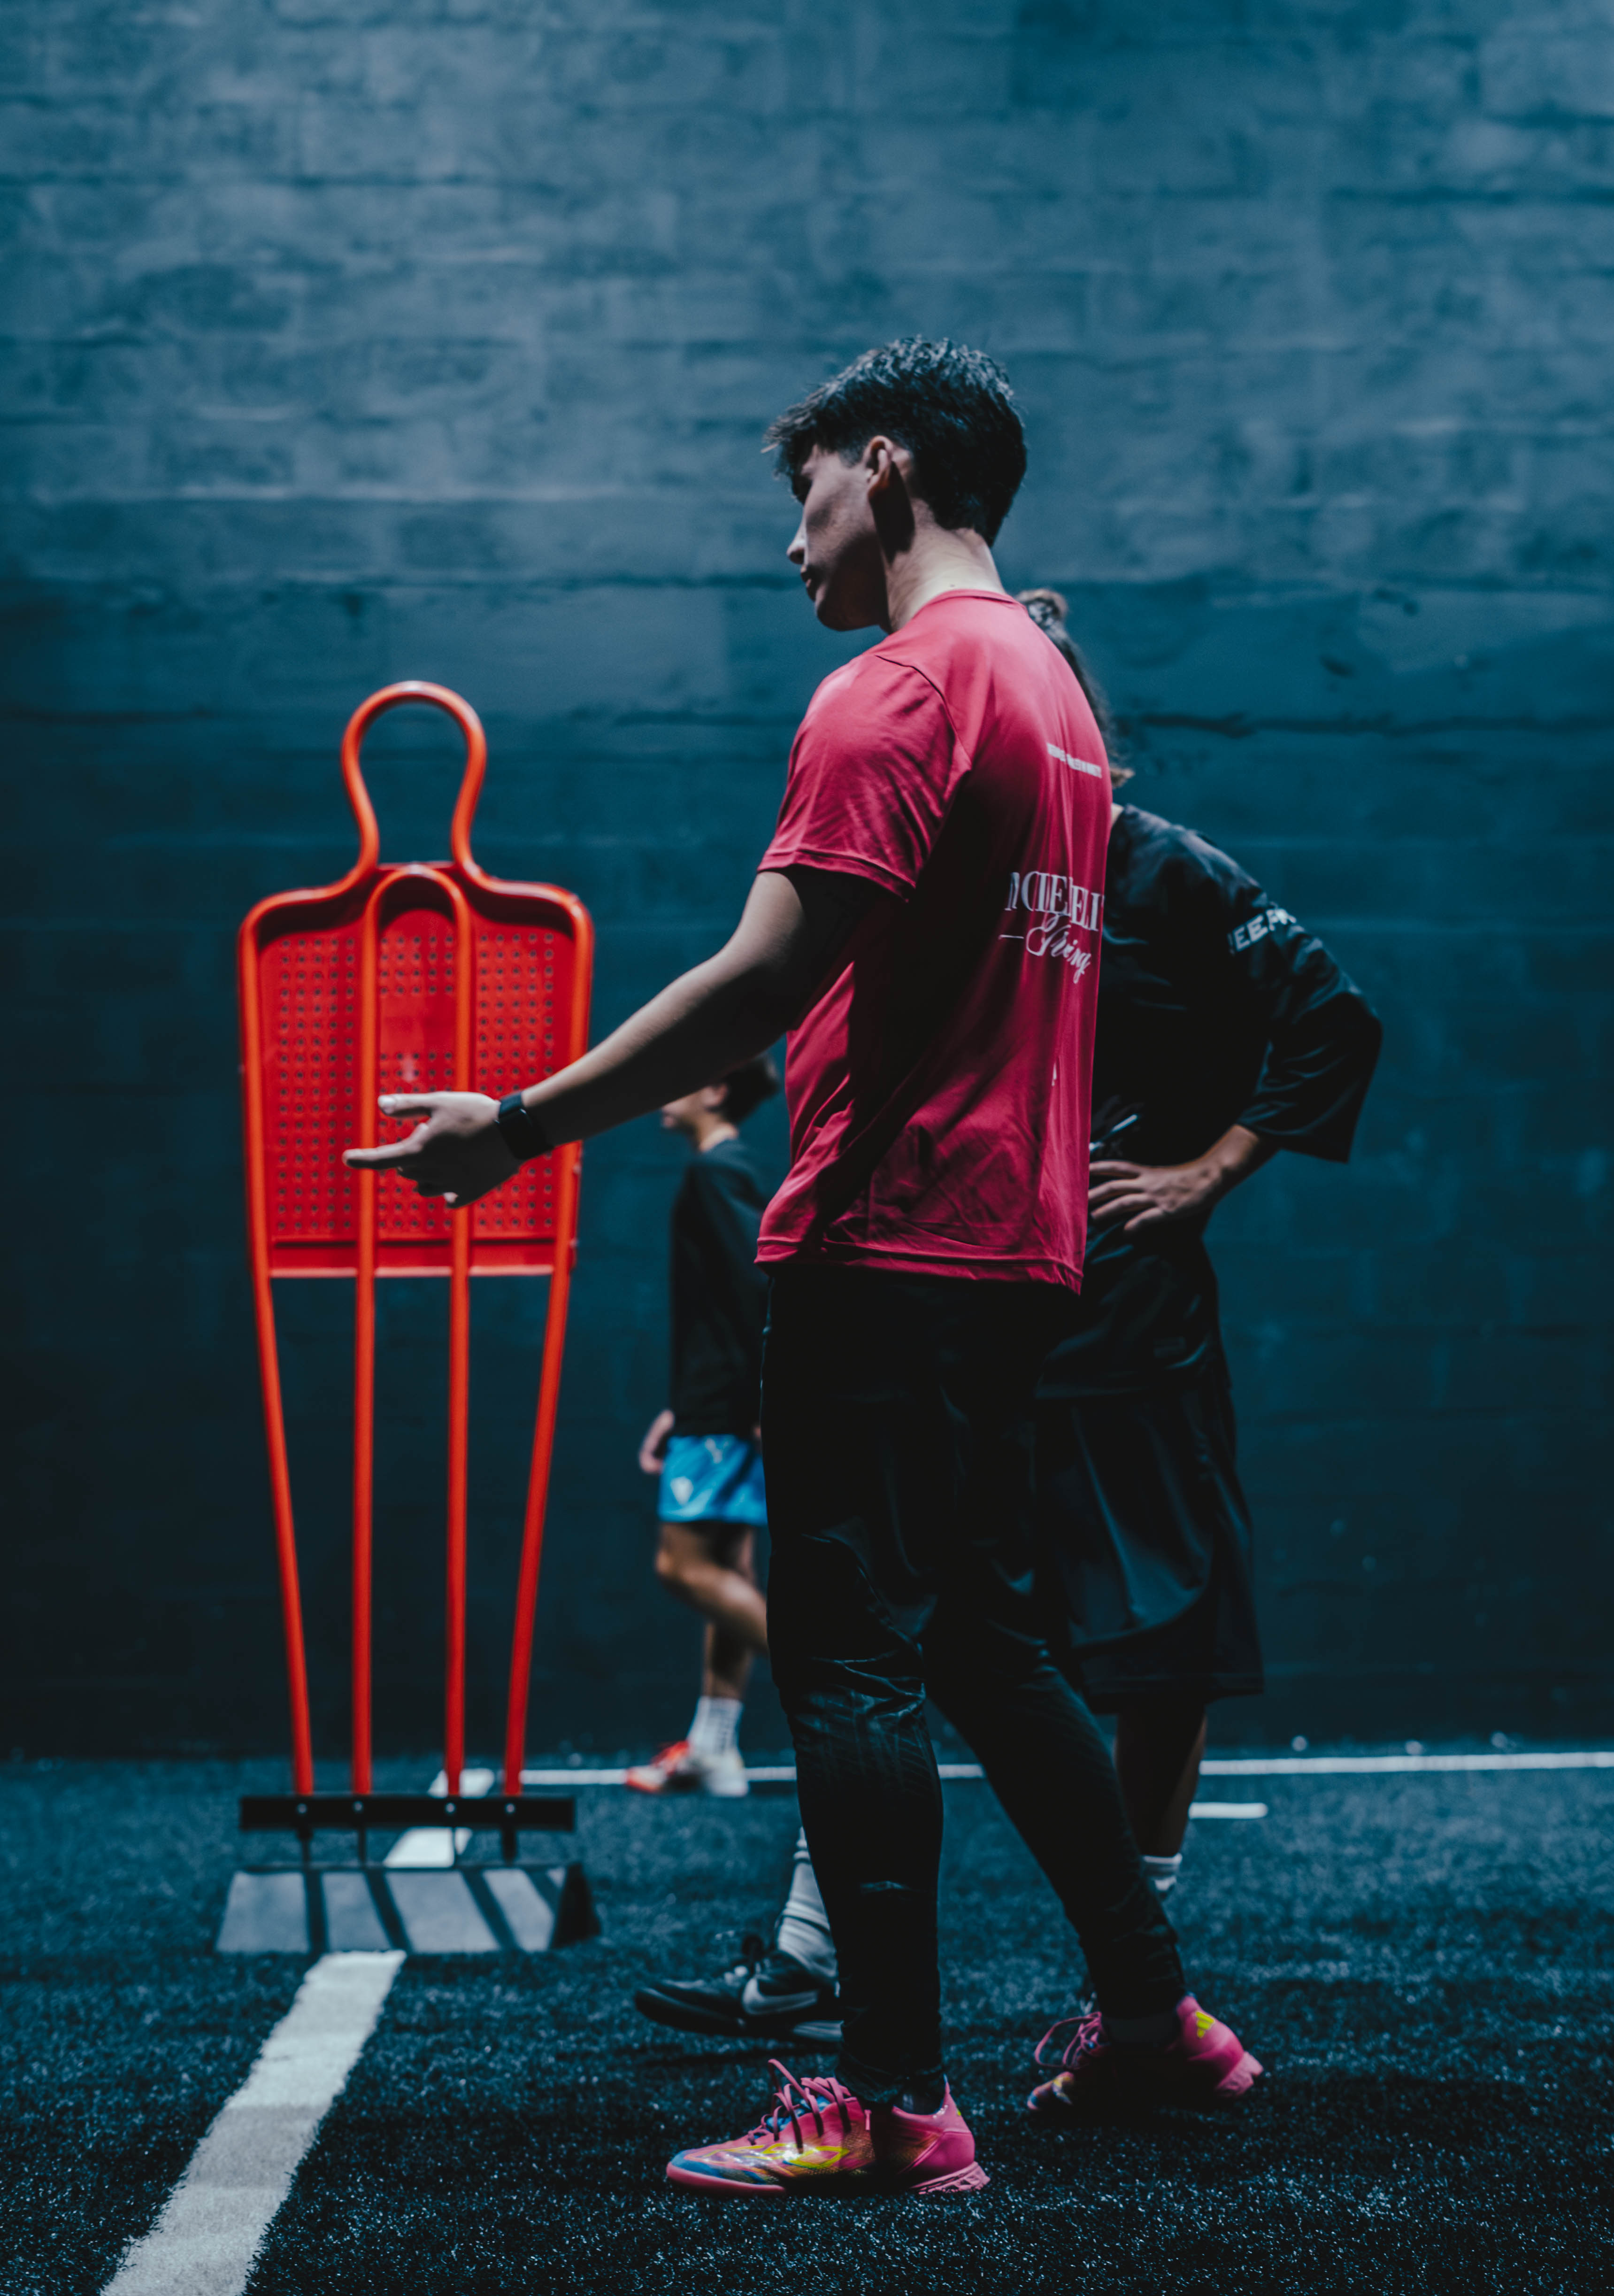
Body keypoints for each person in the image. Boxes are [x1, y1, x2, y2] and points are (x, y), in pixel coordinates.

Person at [346, 340, 1251, 2202]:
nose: (791, 545)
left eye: (807, 493)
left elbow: (762, 976)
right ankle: (1155, 2016)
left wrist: (517, 1123)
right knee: (994, 1641)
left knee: (848, 1655)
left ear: (888, 465)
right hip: (1017, 1248)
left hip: (884, 1234)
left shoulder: (901, 688)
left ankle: (895, 2104)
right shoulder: (1061, 701)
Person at [633, 588, 1382, 2080]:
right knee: (896, 1634)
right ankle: (812, 1956)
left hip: (1131, 1329)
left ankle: (1134, 1996)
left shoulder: (1164, 871)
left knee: (1144, 1645)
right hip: (980, 1306)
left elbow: (1334, 1018)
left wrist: (1207, 1172)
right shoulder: (955, 873)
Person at [626, 1055, 780, 1800]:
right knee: (732, 1567)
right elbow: (731, 1304)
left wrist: (747, 1402)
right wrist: (681, 1406)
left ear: (715, 1089)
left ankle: (847, 1667)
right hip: (718, 1404)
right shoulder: (729, 1170)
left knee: (683, 1566)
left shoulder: (717, 1173)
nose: (667, 1088)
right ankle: (715, 1748)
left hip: (727, 1411)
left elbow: (757, 1289)